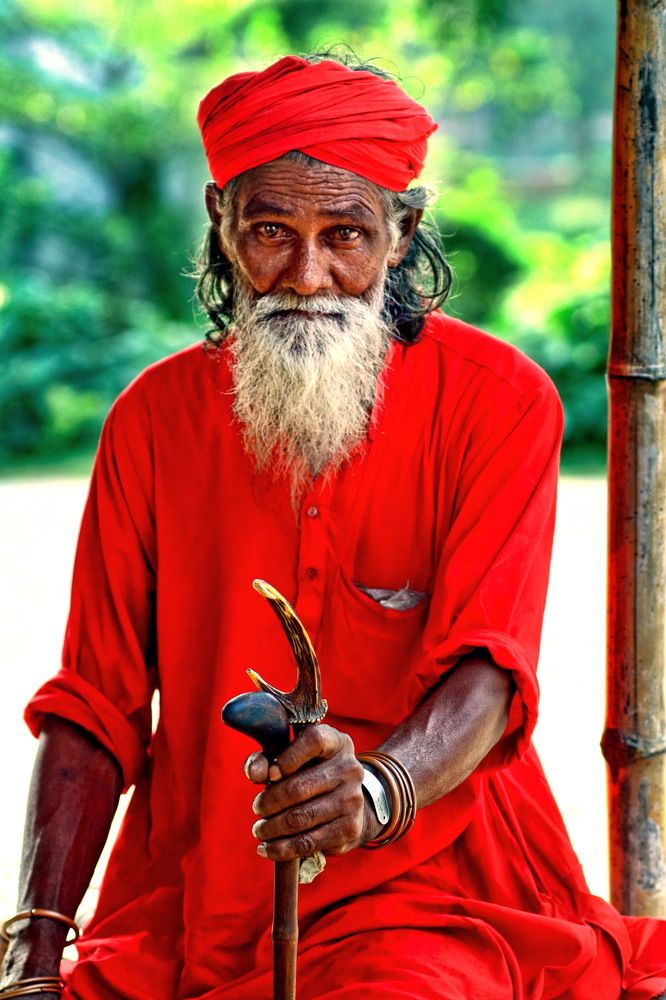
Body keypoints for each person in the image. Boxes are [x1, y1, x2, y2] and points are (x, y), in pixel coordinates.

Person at [1, 52, 665, 1000]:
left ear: (402, 232)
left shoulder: (499, 402)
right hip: (191, 903)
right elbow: (93, 704)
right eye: (270, 230)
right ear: (220, 223)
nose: (307, 275)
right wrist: (32, 955)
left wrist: (374, 793)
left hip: (437, 892)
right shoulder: (151, 420)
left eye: (344, 233)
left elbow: (490, 667)